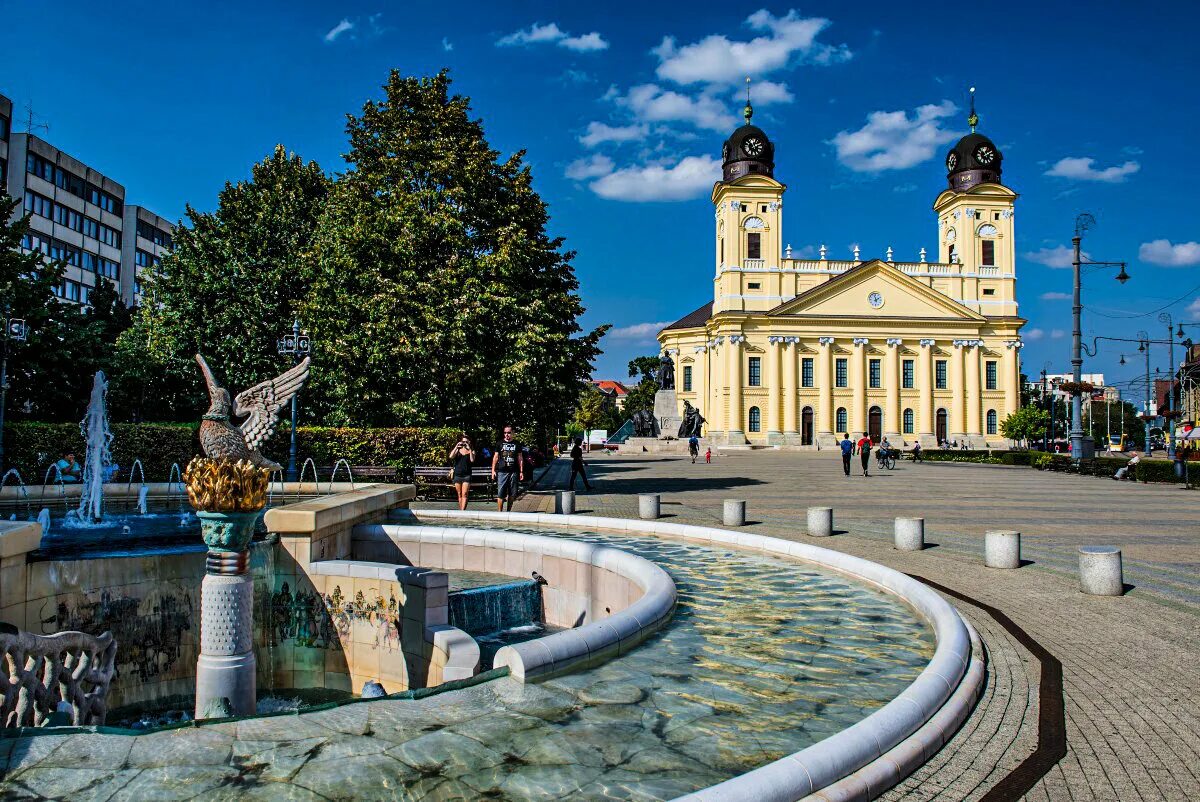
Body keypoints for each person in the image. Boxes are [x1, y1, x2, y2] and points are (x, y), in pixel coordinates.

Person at [491, 425, 526, 511]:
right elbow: (495, 457)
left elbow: (520, 458)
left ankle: (508, 511)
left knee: (512, 493)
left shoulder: (517, 444)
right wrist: (493, 470)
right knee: (501, 493)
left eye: (509, 433)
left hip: (513, 471)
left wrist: (521, 471)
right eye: (505, 433)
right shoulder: (499, 443)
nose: (507, 434)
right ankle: (500, 512)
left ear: (513, 433)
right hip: (502, 471)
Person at [448, 435, 475, 511]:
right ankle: (461, 510)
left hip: (467, 475)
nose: (465, 443)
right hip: (457, 474)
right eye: (463, 441)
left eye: (466, 442)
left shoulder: (471, 450)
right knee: (459, 494)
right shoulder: (458, 450)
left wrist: (469, 449)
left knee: (465, 493)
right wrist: (457, 446)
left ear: (469, 442)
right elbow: (451, 456)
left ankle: (463, 511)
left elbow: (472, 460)